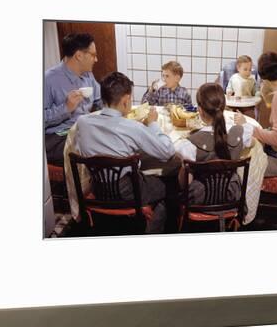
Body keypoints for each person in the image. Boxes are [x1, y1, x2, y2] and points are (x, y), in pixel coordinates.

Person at [75, 72, 176, 233]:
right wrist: (153, 124)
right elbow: (167, 152)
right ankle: (153, 231)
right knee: (168, 185)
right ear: (125, 100)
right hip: (126, 191)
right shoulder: (133, 128)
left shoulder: (82, 123)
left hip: (98, 188)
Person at [174, 83, 254, 204]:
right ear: (223, 107)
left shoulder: (189, 144)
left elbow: (184, 183)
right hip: (231, 195)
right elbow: (249, 136)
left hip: (200, 198)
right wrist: (243, 123)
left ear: (200, 110)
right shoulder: (239, 134)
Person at [44, 33, 102, 165]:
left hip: (83, 130)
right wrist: (66, 108)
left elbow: (100, 101)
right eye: (93, 55)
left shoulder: (88, 75)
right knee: (94, 151)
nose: (96, 59)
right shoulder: (48, 79)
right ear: (79, 56)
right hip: (58, 138)